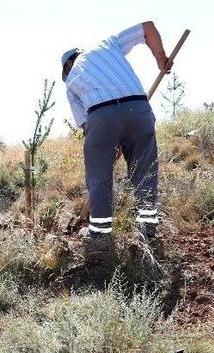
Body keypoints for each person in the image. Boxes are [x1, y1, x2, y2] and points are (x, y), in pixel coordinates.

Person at [61, 21, 171, 263]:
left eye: (65, 71)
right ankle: (147, 232)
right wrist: (161, 58)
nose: (66, 74)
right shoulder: (107, 45)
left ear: (68, 64)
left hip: (100, 116)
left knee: (99, 177)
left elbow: (86, 126)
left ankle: (100, 241)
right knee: (145, 173)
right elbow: (147, 27)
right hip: (139, 109)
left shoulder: (70, 83)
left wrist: (108, 143)